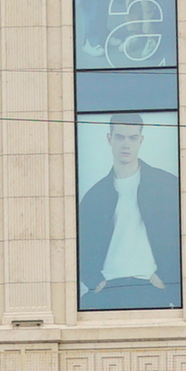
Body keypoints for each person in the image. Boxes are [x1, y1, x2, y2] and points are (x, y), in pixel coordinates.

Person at [77, 114, 179, 310]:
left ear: (141, 140)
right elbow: (82, 245)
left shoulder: (166, 184)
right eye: (120, 137)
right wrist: (94, 281)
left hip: (153, 288)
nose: (126, 144)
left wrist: (167, 277)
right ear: (109, 139)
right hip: (107, 290)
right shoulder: (94, 196)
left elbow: (183, 234)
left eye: (132, 138)